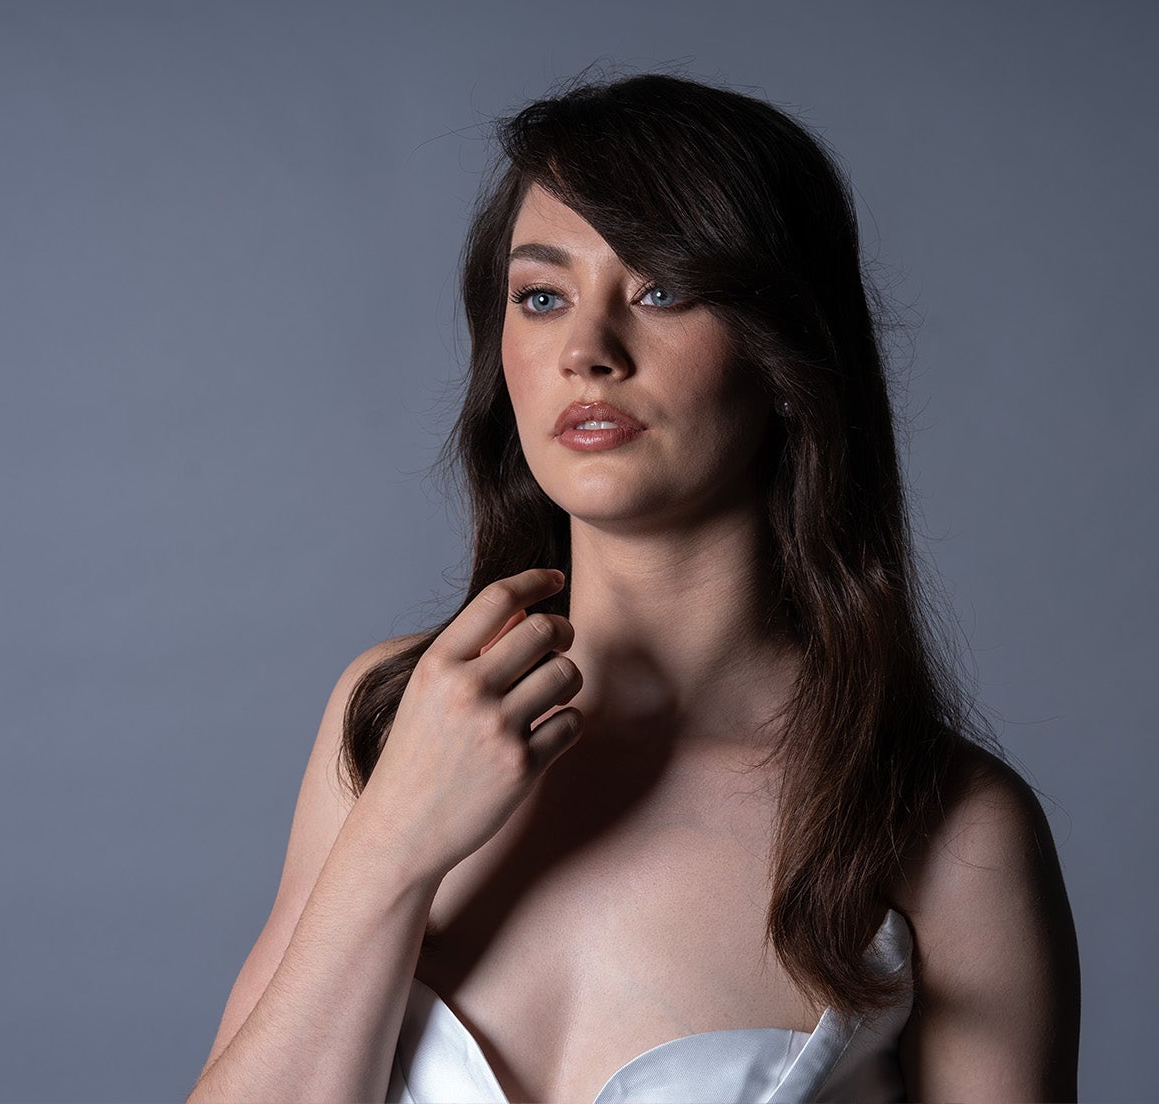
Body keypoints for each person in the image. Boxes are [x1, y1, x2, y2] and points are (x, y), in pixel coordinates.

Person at [186, 68, 1080, 1104]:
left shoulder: (941, 825)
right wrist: (392, 846)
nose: (587, 352)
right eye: (542, 296)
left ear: (786, 351)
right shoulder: (394, 716)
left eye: (661, 290)